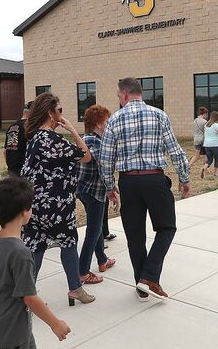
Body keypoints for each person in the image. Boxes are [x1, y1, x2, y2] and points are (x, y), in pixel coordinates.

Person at [99, 78, 190, 301]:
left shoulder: (114, 120)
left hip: (128, 183)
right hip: (154, 180)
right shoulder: (160, 115)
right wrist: (184, 177)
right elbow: (175, 150)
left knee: (135, 236)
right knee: (166, 228)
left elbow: (105, 159)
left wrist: (110, 186)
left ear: (124, 95)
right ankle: (148, 278)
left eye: (118, 96)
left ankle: (143, 283)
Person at [20, 92, 94, 305]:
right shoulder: (53, 139)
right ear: (51, 113)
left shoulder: (34, 138)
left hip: (35, 204)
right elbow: (86, 156)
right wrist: (72, 129)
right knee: (68, 243)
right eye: (59, 110)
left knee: (36, 246)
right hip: (57, 205)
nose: (62, 114)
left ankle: (27, 294)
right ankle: (75, 289)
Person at [0, 177, 71, 349]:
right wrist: (56, 324)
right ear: (25, 211)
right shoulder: (21, 252)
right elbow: (29, 297)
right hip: (13, 329)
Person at [77, 105, 117, 286]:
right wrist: (113, 189)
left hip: (83, 190)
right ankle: (82, 271)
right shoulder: (96, 143)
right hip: (95, 192)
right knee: (93, 231)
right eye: (107, 121)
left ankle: (102, 260)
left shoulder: (84, 139)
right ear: (100, 124)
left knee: (98, 225)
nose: (108, 125)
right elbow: (104, 169)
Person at [4, 101, 33, 176]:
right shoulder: (30, 127)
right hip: (24, 171)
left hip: (12, 170)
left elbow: (5, 151)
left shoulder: (12, 127)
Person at [200, 111, 218, 178]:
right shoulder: (216, 125)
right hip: (215, 145)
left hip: (207, 145)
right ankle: (215, 173)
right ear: (217, 118)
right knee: (217, 159)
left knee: (210, 159)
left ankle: (204, 168)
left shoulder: (206, 125)